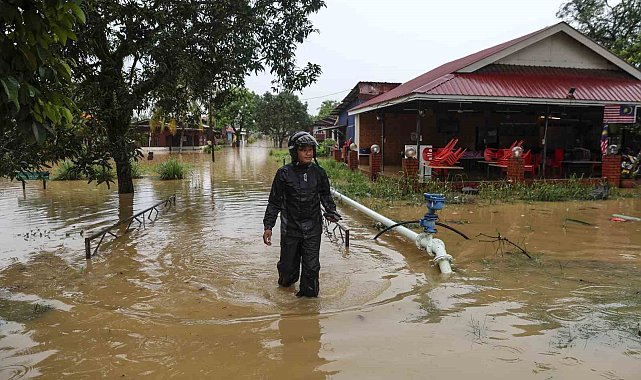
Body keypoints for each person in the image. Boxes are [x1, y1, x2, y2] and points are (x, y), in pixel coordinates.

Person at [262, 131, 341, 298]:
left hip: (313, 228)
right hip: (290, 229)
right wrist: (268, 226)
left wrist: (331, 211)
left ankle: (308, 307)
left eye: (311, 149)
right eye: (303, 149)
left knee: (311, 269)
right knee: (287, 271)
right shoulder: (283, 173)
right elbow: (274, 202)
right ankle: (285, 298)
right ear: (294, 152)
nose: (308, 153)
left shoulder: (319, 173)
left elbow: (325, 196)